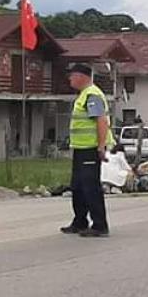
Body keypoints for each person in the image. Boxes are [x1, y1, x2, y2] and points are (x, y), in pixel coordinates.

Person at [61, 63, 114, 237]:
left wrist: (100, 146)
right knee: (78, 186)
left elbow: (101, 121)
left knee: (90, 187)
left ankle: (99, 225)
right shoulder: (84, 95)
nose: (69, 78)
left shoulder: (92, 95)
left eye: (72, 75)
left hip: (90, 148)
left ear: (82, 76)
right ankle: (80, 221)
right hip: (80, 148)